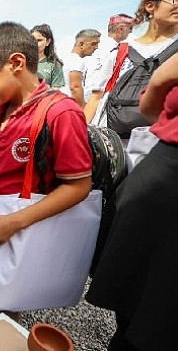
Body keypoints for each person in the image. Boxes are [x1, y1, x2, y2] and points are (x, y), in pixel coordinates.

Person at [0, 22, 92, 321]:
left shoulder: (60, 113)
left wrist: (14, 221)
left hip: (7, 232)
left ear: (16, 63)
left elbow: (78, 186)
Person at [86, 52, 178, 351]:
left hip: (163, 174)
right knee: (142, 313)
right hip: (165, 183)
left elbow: (155, 96)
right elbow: (154, 97)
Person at [84, 0, 178, 125]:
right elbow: (96, 97)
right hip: (117, 141)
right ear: (150, 5)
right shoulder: (120, 52)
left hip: (164, 141)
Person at [83, 14, 134, 97]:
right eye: (130, 28)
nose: (131, 31)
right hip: (97, 99)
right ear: (120, 29)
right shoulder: (109, 47)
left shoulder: (103, 44)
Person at [60, 29, 101, 107]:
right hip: (69, 105)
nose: (96, 47)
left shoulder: (66, 58)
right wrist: (82, 109)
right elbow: (75, 87)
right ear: (81, 44)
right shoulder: (77, 61)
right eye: (93, 44)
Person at [30, 24, 64, 89]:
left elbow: (55, 91)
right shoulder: (22, 62)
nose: (34, 43)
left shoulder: (54, 65)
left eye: (39, 40)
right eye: (32, 40)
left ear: (48, 42)